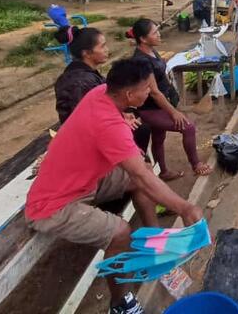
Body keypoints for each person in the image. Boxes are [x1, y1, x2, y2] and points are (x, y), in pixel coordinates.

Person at [25, 58, 203, 314]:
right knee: (121, 233)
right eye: (147, 89)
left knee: (138, 176)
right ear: (130, 94)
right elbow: (142, 175)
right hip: (52, 204)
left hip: (82, 180)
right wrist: (186, 208)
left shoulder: (102, 92)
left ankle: (155, 246)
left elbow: (139, 175)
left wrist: (125, 116)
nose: (151, 92)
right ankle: (120, 303)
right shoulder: (108, 126)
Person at [129, 19, 212, 179]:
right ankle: (196, 165)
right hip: (149, 108)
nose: (159, 34)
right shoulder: (141, 60)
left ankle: (163, 172)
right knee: (188, 127)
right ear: (143, 39)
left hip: (159, 104)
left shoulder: (152, 51)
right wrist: (174, 112)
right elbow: (154, 92)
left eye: (158, 30)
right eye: (155, 33)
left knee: (159, 137)